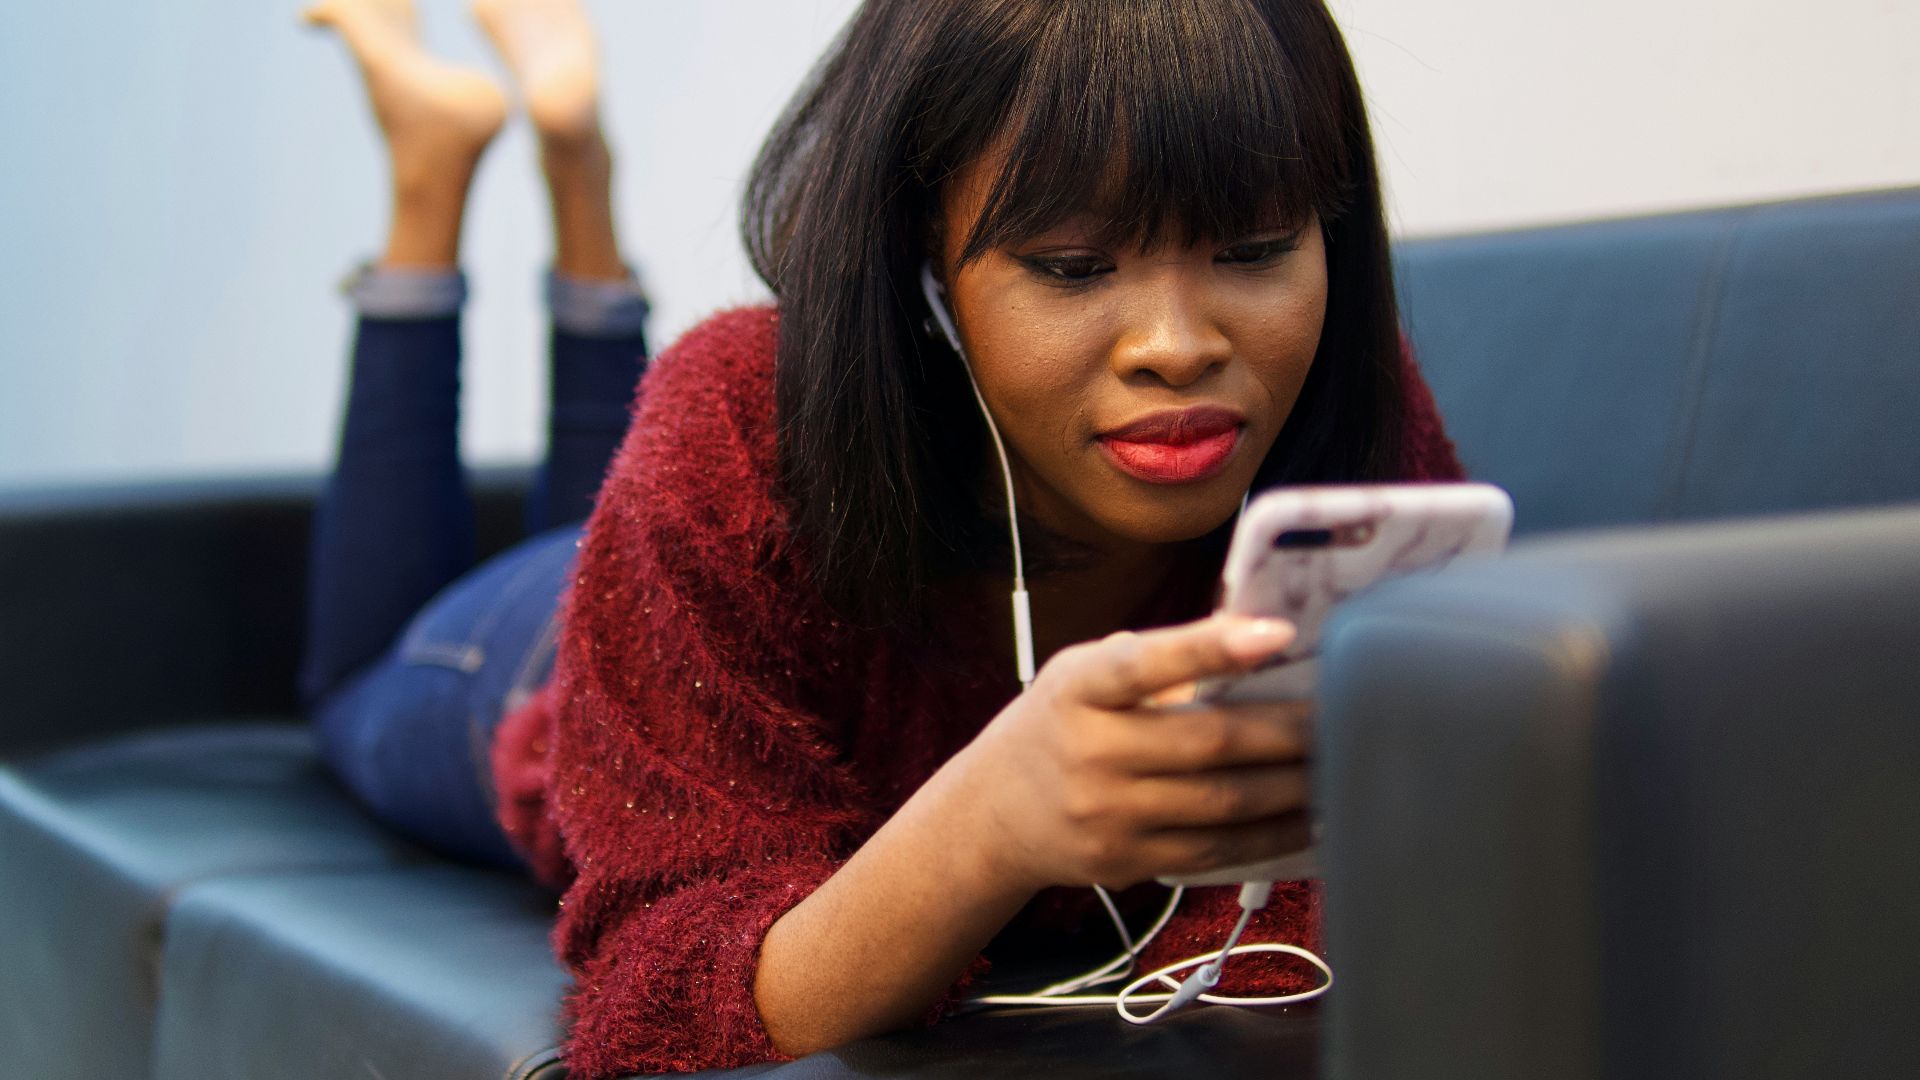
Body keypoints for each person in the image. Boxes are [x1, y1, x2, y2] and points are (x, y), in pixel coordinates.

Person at [306, 1, 1466, 1077]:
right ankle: (439, 181)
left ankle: (574, 163)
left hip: (648, 548)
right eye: (1073, 268)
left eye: (1255, 251)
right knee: (348, 681)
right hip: (532, 668)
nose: (1177, 345)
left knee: (594, 504)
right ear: (926, 262)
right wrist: (992, 819)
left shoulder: (1345, 407)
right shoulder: (736, 424)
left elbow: (1328, 908)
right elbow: (652, 1003)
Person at [297, 0, 647, 873]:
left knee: (613, 567)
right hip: (617, 670)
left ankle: (577, 171)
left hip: (629, 633)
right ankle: (438, 174)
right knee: (608, 578)